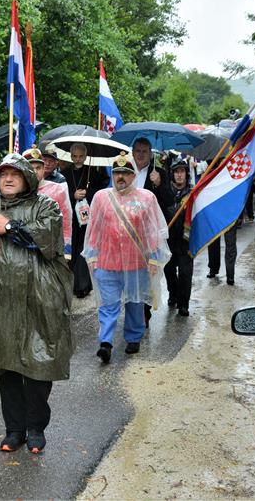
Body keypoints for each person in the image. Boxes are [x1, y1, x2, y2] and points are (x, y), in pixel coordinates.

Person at [0, 153, 73, 454]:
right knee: (5, 365)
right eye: (3, 174)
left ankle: (36, 428)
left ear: (27, 179)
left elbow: (48, 239)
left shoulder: (44, 205)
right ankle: (14, 429)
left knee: (39, 364)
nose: (8, 178)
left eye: (15, 174)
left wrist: (7, 227)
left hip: (39, 297)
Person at [83, 152, 170, 363]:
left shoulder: (146, 198)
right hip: (107, 262)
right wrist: (92, 255)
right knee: (108, 304)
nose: (121, 176)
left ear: (134, 176)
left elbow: (154, 230)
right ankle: (106, 343)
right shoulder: (101, 197)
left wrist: (155, 259)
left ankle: (133, 337)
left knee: (135, 302)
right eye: (117, 172)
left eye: (126, 173)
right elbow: (94, 228)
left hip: (136, 263)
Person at [131, 137, 175, 325]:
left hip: (149, 231)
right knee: (131, 270)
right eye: (138, 151)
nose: (141, 155)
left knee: (148, 271)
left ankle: (145, 310)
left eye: (145, 151)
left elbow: (169, 200)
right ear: (133, 152)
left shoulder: (160, 173)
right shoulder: (125, 170)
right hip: (129, 229)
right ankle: (132, 307)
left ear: (151, 153)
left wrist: (158, 184)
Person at [62, 142, 109, 298]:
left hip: (89, 216)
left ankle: (83, 285)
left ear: (85, 156)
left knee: (85, 247)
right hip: (71, 217)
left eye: (81, 156)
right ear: (71, 156)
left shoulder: (93, 172)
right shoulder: (65, 173)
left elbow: (102, 190)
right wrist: (73, 195)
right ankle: (72, 282)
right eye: (75, 156)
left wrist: (87, 193)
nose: (78, 159)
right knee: (73, 248)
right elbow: (62, 193)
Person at [23, 146, 73, 259]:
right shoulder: (15, 192)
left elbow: (66, 221)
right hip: (22, 253)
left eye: (38, 167)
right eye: (30, 168)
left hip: (50, 252)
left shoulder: (57, 190)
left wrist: (66, 250)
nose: (35, 171)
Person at [163, 159, 193, 317]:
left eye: (182, 171)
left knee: (185, 273)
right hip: (168, 240)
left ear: (186, 174)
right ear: (172, 174)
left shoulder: (193, 193)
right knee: (168, 270)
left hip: (186, 240)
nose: (179, 175)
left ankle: (183, 304)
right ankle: (173, 294)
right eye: (176, 172)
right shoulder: (166, 192)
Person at [206, 215, 241, 285]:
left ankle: (230, 275)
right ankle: (213, 268)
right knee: (213, 242)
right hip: (216, 214)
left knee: (230, 244)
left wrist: (241, 215)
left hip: (231, 214)